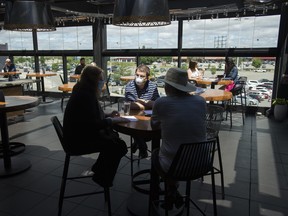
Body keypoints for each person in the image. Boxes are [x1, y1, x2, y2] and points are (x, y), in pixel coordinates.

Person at [63, 65, 129, 188]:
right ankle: (101, 177)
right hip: (78, 141)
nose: (102, 82)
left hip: (75, 135)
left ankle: (99, 171)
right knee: (118, 146)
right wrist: (112, 120)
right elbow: (92, 124)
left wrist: (108, 115)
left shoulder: (82, 91)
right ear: (93, 80)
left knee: (117, 145)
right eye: (100, 79)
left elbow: (89, 116)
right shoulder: (86, 96)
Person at [151, 67, 207, 209]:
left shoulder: (161, 103)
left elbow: (154, 126)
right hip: (202, 163)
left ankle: (168, 189)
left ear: (167, 86)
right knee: (177, 151)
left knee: (156, 153)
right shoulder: (200, 101)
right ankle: (172, 190)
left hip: (174, 167)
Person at [125, 64, 160, 158]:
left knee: (149, 132)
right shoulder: (130, 85)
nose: (138, 78)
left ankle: (137, 143)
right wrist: (147, 103)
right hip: (133, 116)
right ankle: (142, 148)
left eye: (142, 76)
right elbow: (131, 105)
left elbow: (157, 104)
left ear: (147, 78)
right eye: (137, 75)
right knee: (135, 128)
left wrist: (140, 102)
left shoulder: (153, 86)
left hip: (148, 116)